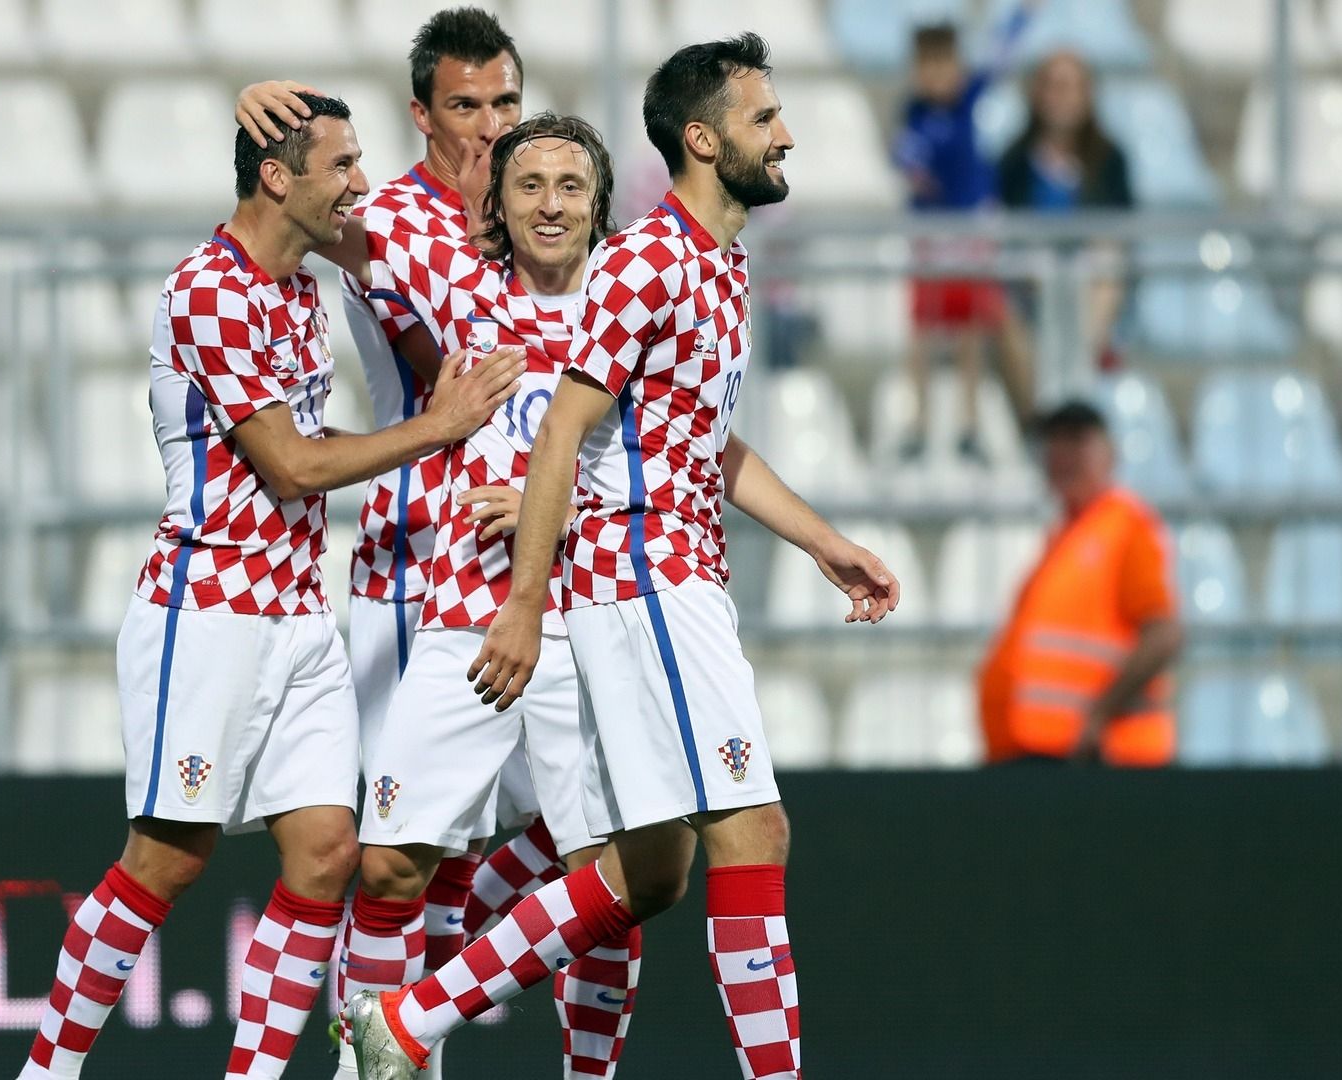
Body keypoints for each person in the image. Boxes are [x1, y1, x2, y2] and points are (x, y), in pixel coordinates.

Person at [345, 35, 901, 1080]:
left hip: (668, 569)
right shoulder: (650, 261)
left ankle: (413, 1019)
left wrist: (826, 543)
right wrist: (520, 601)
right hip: (641, 575)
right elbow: (563, 429)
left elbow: (703, 443)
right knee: (753, 831)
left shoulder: (715, 262)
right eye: (763, 118)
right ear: (704, 138)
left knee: (650, 870)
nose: (785, 135)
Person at [11, 94, 523, 1080]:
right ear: (278, 177)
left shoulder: (297, 287)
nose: (360, 184)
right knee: (166, 861)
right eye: (340, 165)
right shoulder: (210, 290)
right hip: (205, 613)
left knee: (330, 857)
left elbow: (384, 257)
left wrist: (473, 205)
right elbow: (288, 463)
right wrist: (438, 427)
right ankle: (49, 1070)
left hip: (298, 615)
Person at [235, 11, 574, 1062]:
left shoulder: (551, 219)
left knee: (578, 836)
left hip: (531, 569)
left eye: (505, 103)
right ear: (422, 114)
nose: (488, 126)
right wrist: (254, 126)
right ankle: (363, 1056)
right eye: (465, 106)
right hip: (408, 565)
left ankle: (409, 1039)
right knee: (391, 860)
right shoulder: (383, 223)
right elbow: (271, 209)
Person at [313, 112, 641, 1080]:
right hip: (465, 618)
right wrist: (265, 110)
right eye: (528, 185)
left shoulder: (631, 313)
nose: (550, 205)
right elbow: (318, 217)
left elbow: (678, 472)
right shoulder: (461, 288)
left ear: (598, 203)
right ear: (495, 203)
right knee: (390, 864)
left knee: (602, 877)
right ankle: (379, 1069)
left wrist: (558, 507)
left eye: (570, 186)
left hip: (589, 626)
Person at [977, 400, 1182, 766]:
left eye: (1077, 441)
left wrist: (1099, 715)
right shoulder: (1067, 534)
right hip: (1048, 753)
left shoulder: (1126, 526)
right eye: (1054, 442)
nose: (1062, 454)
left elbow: (1164, 634)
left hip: (1101, 757)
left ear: (1110, 454)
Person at [892, 9, 1038, 462]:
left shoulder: (968, 98)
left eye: (945, 65)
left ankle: (968, 423)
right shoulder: (913, 114)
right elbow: (902, 156)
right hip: (931, 239)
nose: (937, 77)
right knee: (921, 330)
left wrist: (1025, 14)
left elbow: (1000, 54)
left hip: (969, 234)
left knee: (971, 331)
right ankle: (918, 421)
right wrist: (912, 166)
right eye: (928, 67)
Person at [996, 50, 1134, 372]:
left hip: (1087, 275)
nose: (1062, 98)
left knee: (1105, 266)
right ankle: (1044, 409)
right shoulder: (1014, 161)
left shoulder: (1110, 159)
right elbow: (1003, 225)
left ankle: (1078, 370)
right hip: (1031, 278)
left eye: (1072, 87)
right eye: (1055, 86)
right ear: (1037, 93)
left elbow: (1123, 227)